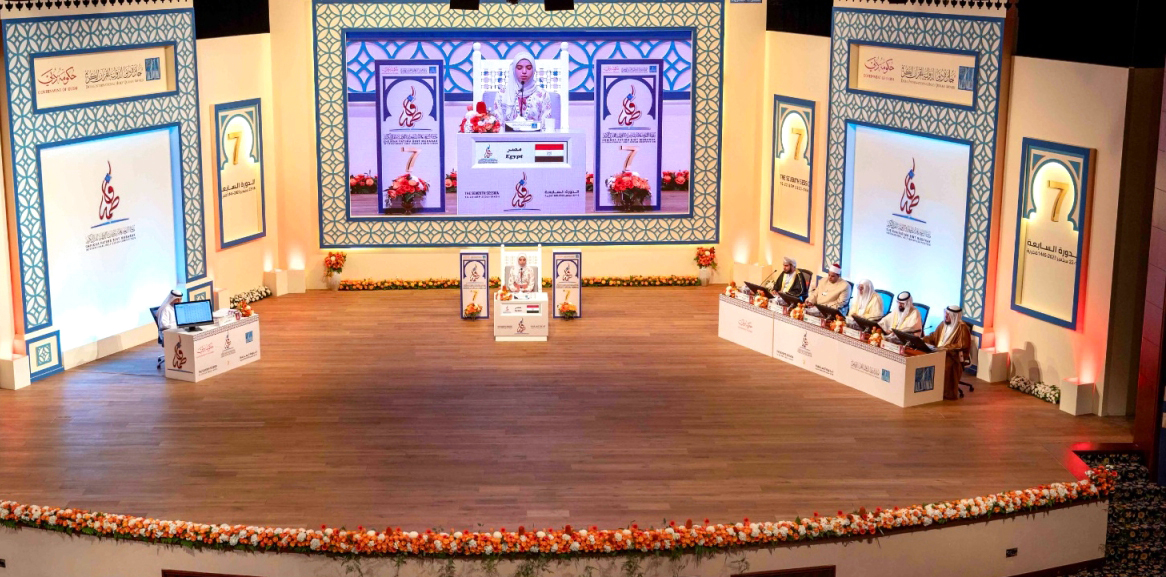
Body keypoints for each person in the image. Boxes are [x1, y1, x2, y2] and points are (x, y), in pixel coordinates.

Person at [923, 305, 973, 400]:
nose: (945, 316)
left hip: (954, 357)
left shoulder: (962, 328)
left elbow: (961, 345)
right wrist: (923, 339)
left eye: (948, 315)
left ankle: (945, 392)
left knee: (946, 365)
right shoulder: (943, 324)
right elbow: (933, 337)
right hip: (939, 352)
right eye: (945, 313)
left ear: (954, 316)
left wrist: (945, 348)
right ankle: (930, 388)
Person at [491, 52, 552, 128]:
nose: (524, 71)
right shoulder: (502, 94)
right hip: (507, 135)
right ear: (513, 70)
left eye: (528, 68)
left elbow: (546, 126)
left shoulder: (542, 94)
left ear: (534, 70)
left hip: (536, 135)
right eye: (519, 68)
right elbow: (498, 125)